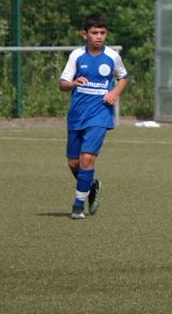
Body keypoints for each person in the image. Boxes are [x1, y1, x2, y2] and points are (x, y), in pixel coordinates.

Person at [59, 13, 129, 219]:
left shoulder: (112, 56)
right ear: (85, 34)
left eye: (102, 33)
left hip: (100, 114)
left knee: (87, 157)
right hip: (77, 115)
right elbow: (62, 84)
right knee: (74, 163)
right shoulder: (77, 55)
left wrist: (115, 92)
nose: (99, 36)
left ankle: (78, 206)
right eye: (94, 32)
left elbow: (123, 77)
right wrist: (73, 83)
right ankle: (91, 186)